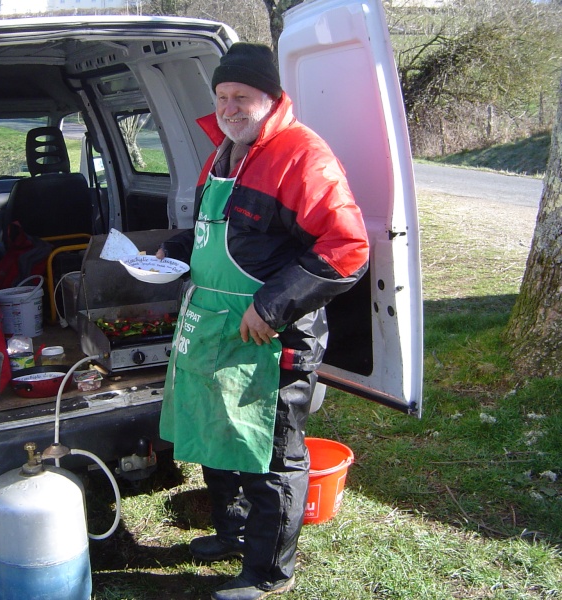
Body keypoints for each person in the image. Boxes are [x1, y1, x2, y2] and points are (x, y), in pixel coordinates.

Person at [156, 42, 370, 600]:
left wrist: (272, 307)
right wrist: (174, 250)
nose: (229, 106)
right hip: (215, 325)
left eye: (241, 96)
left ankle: (269, 570)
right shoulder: (223, 151)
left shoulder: (304, 155)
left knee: (273, 452)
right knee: (219, 434)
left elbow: (346, 248)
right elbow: (222, 233)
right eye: (222, 96)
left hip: (272, 333)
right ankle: (231, 532)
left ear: (270, 97)